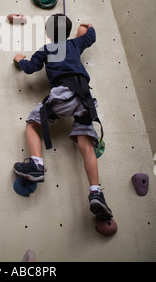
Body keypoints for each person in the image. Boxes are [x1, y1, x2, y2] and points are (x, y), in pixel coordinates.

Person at [13, 13, 113, 219]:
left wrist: (19, 59)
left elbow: (31, 68)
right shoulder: (75, 44)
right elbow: (90, 35)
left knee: (32, 124)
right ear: (68, 32)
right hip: (85, 98)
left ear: (47, 33)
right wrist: (86, 26)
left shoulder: (47, 49)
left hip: (64, 95)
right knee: (85, 143)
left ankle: (36, 165)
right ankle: (96, 192)